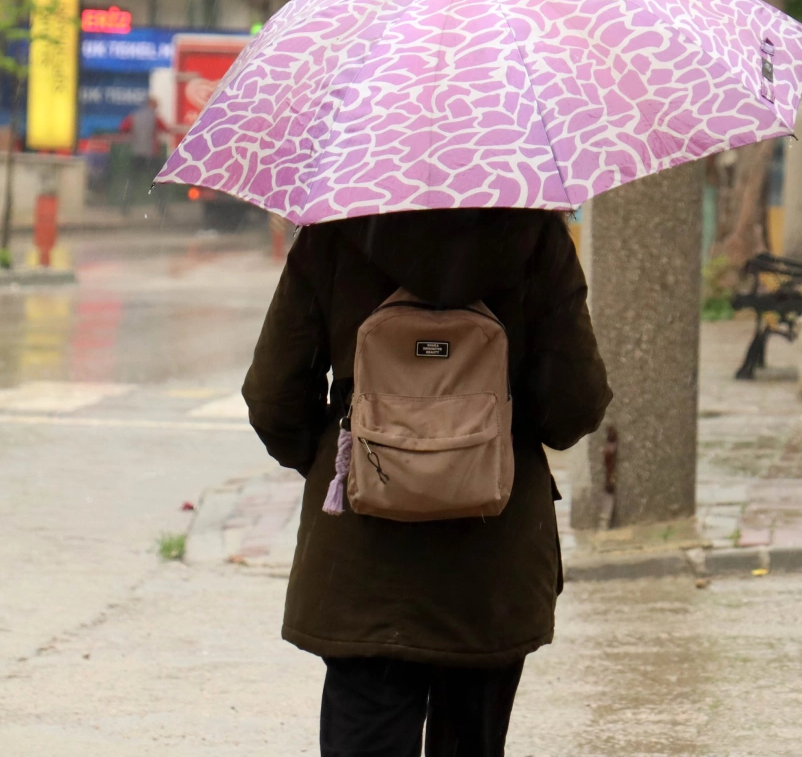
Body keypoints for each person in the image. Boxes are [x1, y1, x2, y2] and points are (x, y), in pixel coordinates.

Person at [242, 208, 612, 757]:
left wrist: (346, 463)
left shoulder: (334, 235)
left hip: (363, 563)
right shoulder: (534, 236)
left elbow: (273, 398)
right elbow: (572, 406)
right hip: (492, 561)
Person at [118, 95, 167, 215]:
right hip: (152, 154)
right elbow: (164, 128)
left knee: (133, 182)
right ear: (153, 105)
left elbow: (123, 127)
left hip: (137, 153)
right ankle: (161, 208)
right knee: (156, 183)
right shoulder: (155, 118)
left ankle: (126, 207)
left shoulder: (134, 116)